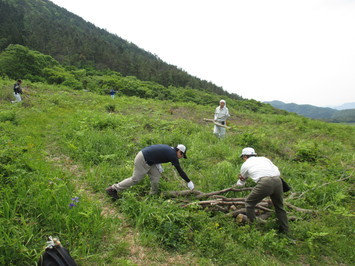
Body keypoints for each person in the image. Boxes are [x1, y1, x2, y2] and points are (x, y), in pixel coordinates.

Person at [106, 144, 194, 199]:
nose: (181, 157)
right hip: (143, 159)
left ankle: (152, 196)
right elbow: (180, 171)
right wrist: (188, 181)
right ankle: (113, 189)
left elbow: (158, 153)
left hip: (150, 160)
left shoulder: (169, 149)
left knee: (156, 177)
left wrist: (158, 164)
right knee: (135, 179)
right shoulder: (173, 155)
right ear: (179, 152)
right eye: (182, 155)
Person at [235, 147, 289, 233]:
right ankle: (286, 231)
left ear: (245, 156)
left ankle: (253, 228)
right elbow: (277, 171)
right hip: (278, 181)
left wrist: (235, 186)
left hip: (265, 182)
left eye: (242, 158)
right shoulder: (264, 159)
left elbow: (242, 181)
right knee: (279, 207)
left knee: (249, 203)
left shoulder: (245, 165)